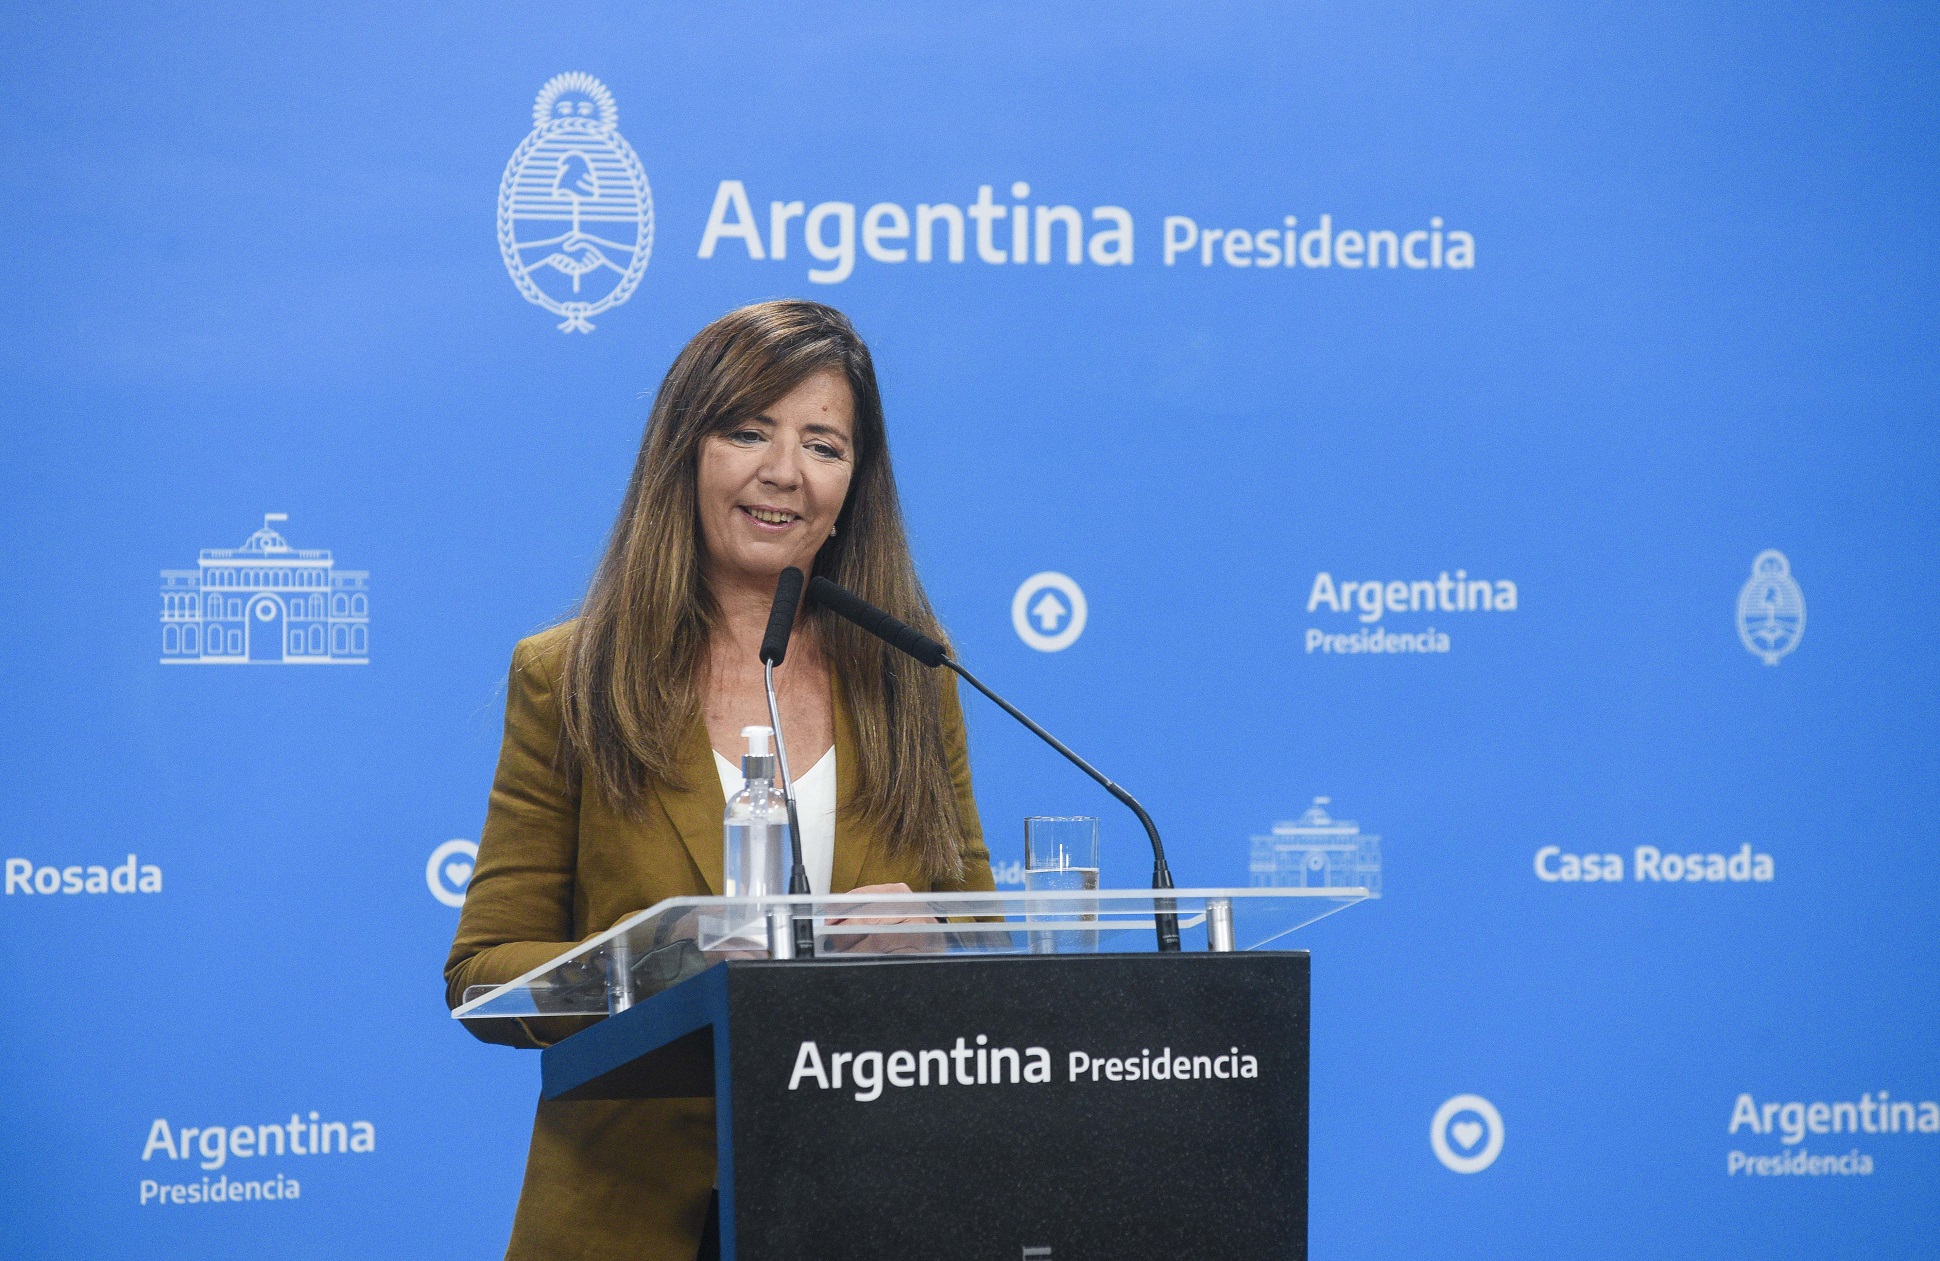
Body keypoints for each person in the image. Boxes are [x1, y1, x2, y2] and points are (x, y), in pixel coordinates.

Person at [445, 299, 995, 1260]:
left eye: (823, 444)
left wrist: (938, 938)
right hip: (633, 1220)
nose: (784, 471)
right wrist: (663, 965)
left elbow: (985, 939)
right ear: (685, 455)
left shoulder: (909, 673)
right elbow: (486, 975)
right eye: (749, 431)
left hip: (877, 1206)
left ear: (854, 483)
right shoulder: (570, 678)